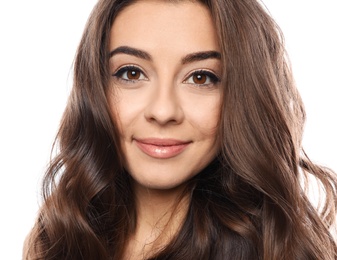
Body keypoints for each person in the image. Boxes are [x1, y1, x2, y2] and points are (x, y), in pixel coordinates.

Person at [23, 0, 337, 259]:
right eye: (131, 73)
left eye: (201, 78)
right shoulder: (56, 240)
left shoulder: (279, 251)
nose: (163, 111)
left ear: (243, 96)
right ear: (95, 87)